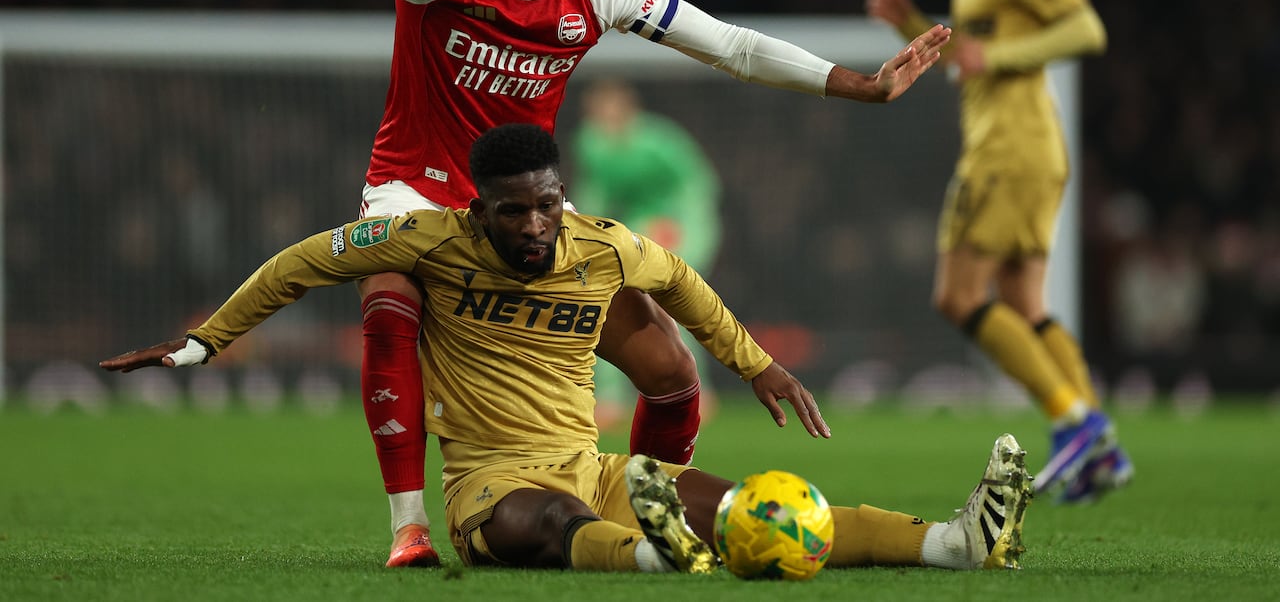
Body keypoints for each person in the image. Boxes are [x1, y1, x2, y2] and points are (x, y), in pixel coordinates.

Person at [193, 0, 953, 566]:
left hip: (525, 204)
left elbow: (730, 45)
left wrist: (860, 83)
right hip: (418, 188)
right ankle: (409, 526)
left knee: (665, 364)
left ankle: (646, 511)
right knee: (388, 297)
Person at [101, 123, 1032, 573]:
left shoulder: (599, 243)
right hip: (489, 487)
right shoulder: (427, 241)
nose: (538, 225)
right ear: (479, 211)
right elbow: (296, 266)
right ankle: (650, 556)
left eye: (547, 202)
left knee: (765, 513)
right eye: (516, 211)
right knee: (541, 527)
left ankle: (956, 541)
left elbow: (686, 287)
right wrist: (200, 345)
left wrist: (756, 363)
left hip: (595, 468)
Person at [864, 0, 1131, 503]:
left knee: (956, 296)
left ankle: (1076, 421)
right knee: (1025, 305)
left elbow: (1085, 30)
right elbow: (971, 60)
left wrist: (1004, 56)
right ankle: (1099, 448)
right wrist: (915, 28)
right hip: (1027, 149)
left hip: (1009, 151)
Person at [570, 78, 723, 430]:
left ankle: (696, 390)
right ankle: (609, 397)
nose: (603, 116)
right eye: (596, 109)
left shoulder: (659, 139)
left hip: (683, 222)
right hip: (637, 226)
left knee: (671, 302)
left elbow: (698, 185)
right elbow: (594, 197)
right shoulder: (590, 142)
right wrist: (585, 235)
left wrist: (674, 227)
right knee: (609, 298)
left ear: (627, 107)